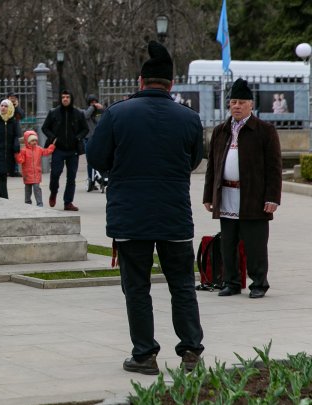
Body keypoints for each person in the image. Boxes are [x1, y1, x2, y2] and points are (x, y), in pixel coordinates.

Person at [86, 41, 205, 375]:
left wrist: (119, 168)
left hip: (130, 215)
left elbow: (95, 157)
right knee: (182, 284)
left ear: (140, 81)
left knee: (137, 286)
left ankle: (144, 355)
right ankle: (191, 351)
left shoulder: (116, 114)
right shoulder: (189, 118)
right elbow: (194, 160)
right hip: (174, 214)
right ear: (171, 85)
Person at [203, 78, 282, 299]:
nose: (236, 106)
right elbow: (212, 166)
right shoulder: (220, 131)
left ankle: (258, 283)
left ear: (250, 105)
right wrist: (209, 195)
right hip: (226, 195)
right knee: (228, 242)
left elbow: (274, 168)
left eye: (241, 102)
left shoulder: (264, 131)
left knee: (255, 244)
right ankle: (231, 282)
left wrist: (272, 197)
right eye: (233, 101)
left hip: (253, 198)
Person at [41, 90, 89, 211]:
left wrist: (78, 137)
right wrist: (53, 138)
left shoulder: (78, 113)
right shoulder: (54, 113)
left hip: (73, 150)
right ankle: (53, 192)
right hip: (58, 149)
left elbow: (85, 129)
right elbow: (44, 128)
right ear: (60, 99)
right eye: (63, 97)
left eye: (67, 97)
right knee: (55, 173)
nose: (65, 99)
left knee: (71, 177)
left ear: (71, 98)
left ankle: (68, 202)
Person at [15, 130, 55, 206]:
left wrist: (52, 146)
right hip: (27, 174)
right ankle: (27, 203)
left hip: (36, 173)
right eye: (32, 140)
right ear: (28, 141)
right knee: (28, 190)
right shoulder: (24, 151)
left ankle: (39, 203)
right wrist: (17, 154)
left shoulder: (39, 149)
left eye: (35, 140)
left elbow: (46, 152)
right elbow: (21, 160)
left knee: (37, 188)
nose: (34, 142)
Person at [83, 94, 105, 192]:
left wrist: (102, 108)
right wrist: (93, 107)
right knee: (90, 161)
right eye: (92, 102)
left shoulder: (99, 113)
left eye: (95, 102)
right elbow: (86, 116)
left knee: (99, 160)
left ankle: (100, 178)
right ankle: (91, 180)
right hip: (88, 139)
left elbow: (107, 115)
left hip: (98, 138)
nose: (94, 104)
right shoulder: (85, 111)